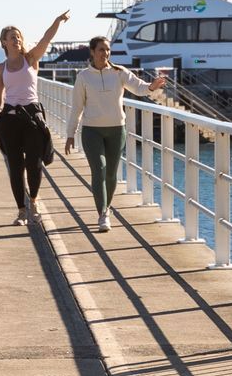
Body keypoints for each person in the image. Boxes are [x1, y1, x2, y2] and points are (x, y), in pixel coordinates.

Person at [64, 37, 167, 232]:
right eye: (101, 50)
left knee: (111, 174)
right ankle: (103, 214)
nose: (105, 53)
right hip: (92, 130)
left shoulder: (119, 72)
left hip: (116, 130)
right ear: (92, 52)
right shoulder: (83, 77)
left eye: (108, 50)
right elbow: (76, 108)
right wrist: (71, 134)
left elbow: (138, 87)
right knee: (99, 169)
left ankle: (107, 207)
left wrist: (152, 86)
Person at [0, 10, 69, 226]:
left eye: (19, 37)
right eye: (12, 37)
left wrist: (57, 21)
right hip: (10, 119)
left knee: (34, 163)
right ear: (4, 42)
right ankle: (21, 211)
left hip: (32, 118)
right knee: (15, 166)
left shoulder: (30, 59)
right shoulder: (1, 68)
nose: (17, 40)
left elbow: (46, 38)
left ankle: (33, 202)